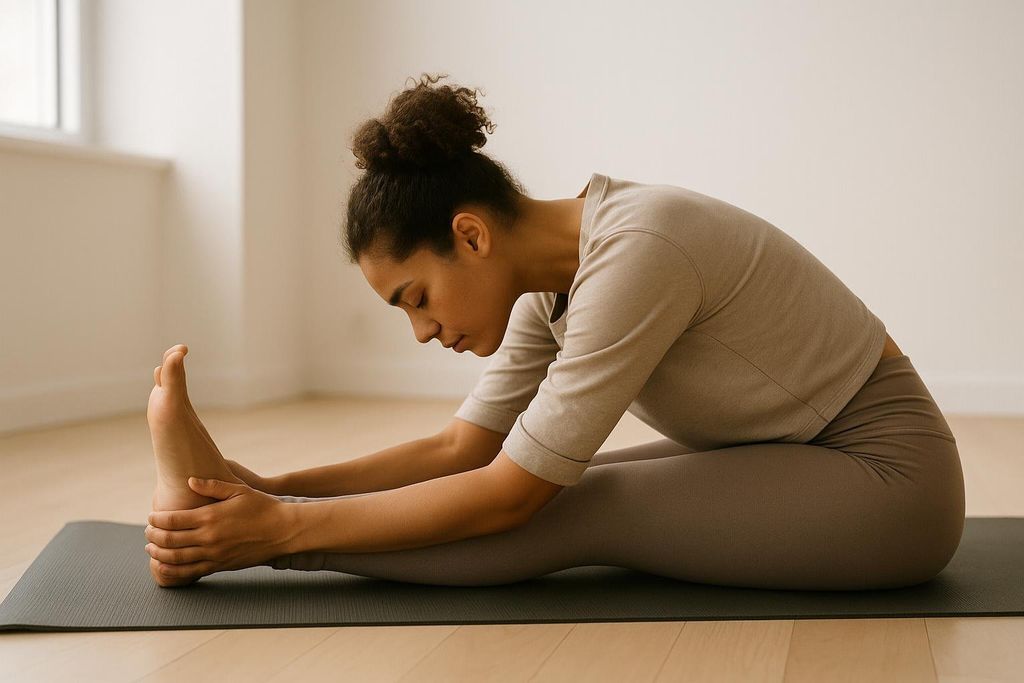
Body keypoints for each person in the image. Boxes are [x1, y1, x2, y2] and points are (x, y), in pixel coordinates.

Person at [144, 73, 964, 591]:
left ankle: (246, 545)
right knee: (553, 477)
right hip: (796, 451)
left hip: (888, 481)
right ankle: (237, 512)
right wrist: (274, 483)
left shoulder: (641, 250)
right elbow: (458, 450)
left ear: (471, 235)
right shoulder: (550, 286)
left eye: (418, 297)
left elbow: (510, 492)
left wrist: (281, 528)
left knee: (572, 497)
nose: (424, 331)